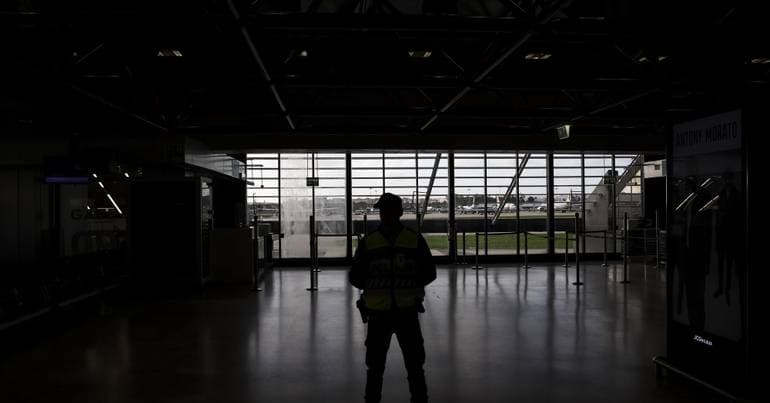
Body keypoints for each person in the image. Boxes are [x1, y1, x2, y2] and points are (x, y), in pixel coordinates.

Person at [349, 193, 437, 403]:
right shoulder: (414, 239)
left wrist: (375, 283)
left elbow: (355, 277)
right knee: (415, 367)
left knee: (375, 369)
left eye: (385, 210)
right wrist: (410, 284)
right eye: (383, 210)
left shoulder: (369, 242)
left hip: (379, 314)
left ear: (396, 212)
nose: (384, 214)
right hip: (407, 311)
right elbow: (429, 272)